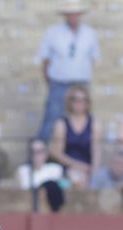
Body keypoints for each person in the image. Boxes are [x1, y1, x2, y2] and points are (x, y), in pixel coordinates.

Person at [35, 2, 99, 143]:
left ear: (80, 15)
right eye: (70, 14)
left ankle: (80, 155)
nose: (73, 17)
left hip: (81, 82)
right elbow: (46, 60)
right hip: (59, 82)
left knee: (82, 122)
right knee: (51, 119)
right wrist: (51, 81)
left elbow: (92, 59)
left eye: (75, 14)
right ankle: (37, 157)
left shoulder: (89, 33)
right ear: (65, 16)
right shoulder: (53, 32)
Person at [48, 83, 96, 185]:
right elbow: (56, 153)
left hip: (87, 169)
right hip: (67, 167)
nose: (80, 103)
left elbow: (96, 152)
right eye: (76, 100)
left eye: (83, 100)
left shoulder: (94, 124)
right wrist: (77, 165)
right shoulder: (61, 124)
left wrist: (93, 171)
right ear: (70, 102)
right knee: (75, 179)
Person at [18, 138, 67, 211]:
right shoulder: (23, 171)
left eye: (39, 151)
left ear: (46, 153)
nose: (36, 155)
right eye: (32, 152)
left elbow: (65, 186)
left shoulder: (56, 169)